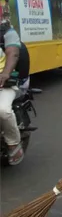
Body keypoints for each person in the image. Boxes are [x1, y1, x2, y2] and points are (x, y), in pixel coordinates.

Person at [0, 14, 30, 165]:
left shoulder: (8, 33)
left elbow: (13, 53)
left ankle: (13, 143)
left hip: (6, 82)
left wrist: (5, 73)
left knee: (3, 110)